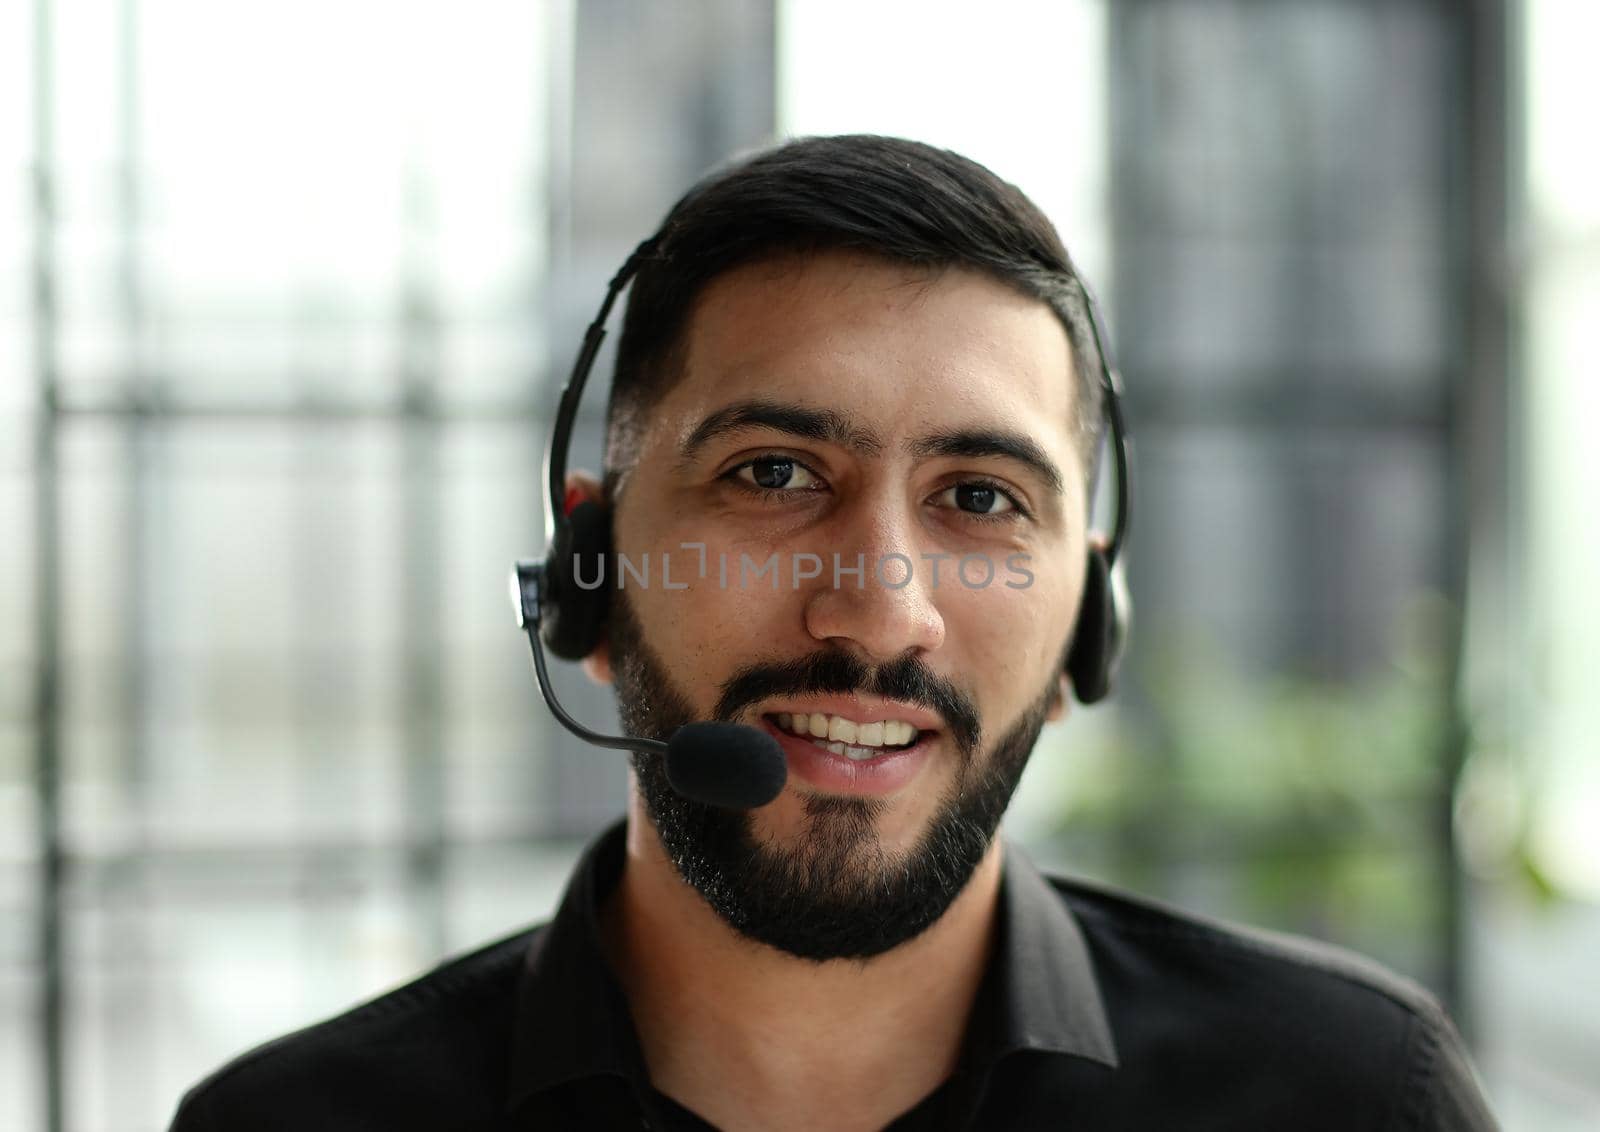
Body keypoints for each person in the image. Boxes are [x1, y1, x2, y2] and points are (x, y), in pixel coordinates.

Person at [169, 135, 1498, 1131]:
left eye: (981, 499)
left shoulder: (1356, 1101)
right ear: (591, 574)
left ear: (1085, 627)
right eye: (773, 473)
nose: (878, 604)